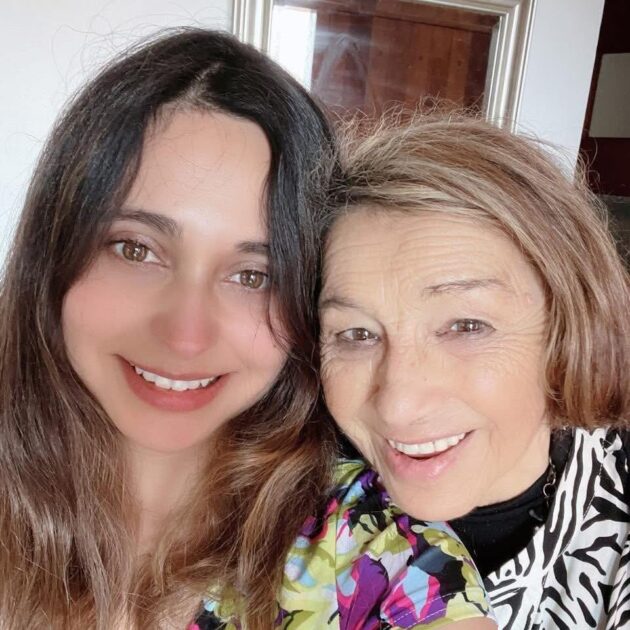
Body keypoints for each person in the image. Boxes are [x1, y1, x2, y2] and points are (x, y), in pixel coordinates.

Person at [0, 30, 495, 630]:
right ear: (53, 252)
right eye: (136, 249)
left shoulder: (385, 562)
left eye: (254, 275)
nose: (185, 336)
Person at [319, 113, 630, 629]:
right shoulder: (284, 508)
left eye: (465, 326)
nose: (398, 404)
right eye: (357, 334)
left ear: (568, 326)